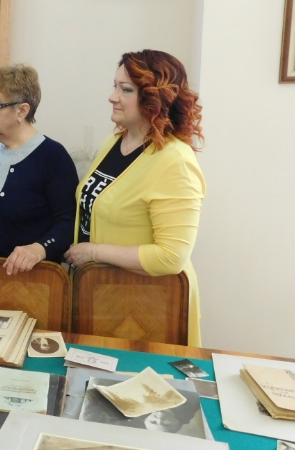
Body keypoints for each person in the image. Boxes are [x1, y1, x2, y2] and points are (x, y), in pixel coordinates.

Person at [64, 50, 206, 346]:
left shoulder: (175, 161)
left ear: (155, 99)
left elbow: (171, 257)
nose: (112, 97)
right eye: (115, 86)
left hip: (148, 306)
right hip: (103, 292)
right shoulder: (114, 142)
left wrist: (93, 252)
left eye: (125, 89)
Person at [0, 65, 78, 275]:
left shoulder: (52, 156)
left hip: (30, 278)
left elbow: (69, 223)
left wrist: (39, 248)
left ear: (22, 110)